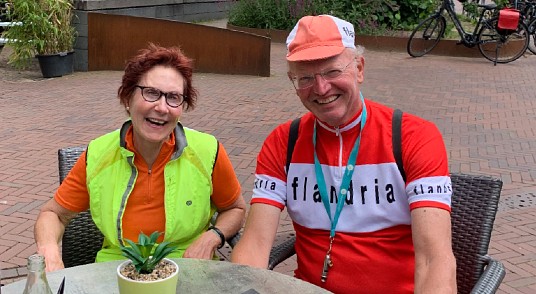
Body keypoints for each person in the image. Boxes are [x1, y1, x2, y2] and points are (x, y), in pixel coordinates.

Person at [231, 15, 457, 293]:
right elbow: (254, 244)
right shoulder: (283, 142)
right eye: (305, 78)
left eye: (332, 72)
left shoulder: (414, 137)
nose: (321, 88)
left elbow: (435, 260)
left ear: (359, 68)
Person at [35, 43, 246, 271]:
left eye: (173, 97)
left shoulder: (208, 151)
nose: (162, 107)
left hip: (189, 268)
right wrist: (50, 252)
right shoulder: (98, 155)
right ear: (127, 98)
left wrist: (212, 237)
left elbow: (236, 209)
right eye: (151, 93)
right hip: (115, 271)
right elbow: (53, 214)